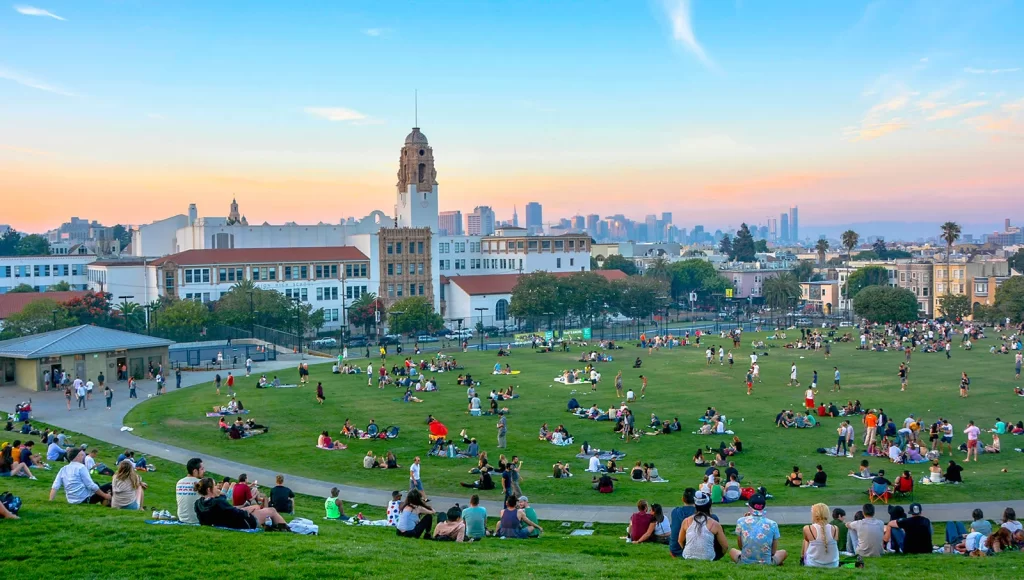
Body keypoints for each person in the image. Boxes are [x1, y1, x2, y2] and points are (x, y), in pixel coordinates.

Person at [194, 477, 288, 530]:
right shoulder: (217, 502)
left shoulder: (198, 504)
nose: (217, 488)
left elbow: (204, 522)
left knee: (255, 507)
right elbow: (236, 513)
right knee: (271, 510)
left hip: (228, 521)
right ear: (209, 490)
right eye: (215, 486)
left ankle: (271, 527)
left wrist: (246, 508)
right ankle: (286, 530)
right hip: (242, 522)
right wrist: (249, 510)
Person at [729, 494, 787, 565]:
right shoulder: (772, 524)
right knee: (783, 552)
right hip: (767, 562)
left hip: (745, 561)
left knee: (732, 551)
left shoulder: (741, 521)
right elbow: (773, 551)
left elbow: (740, 545)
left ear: (749, 506)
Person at [678, 491, 730, 560]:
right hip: (708, 557)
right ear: (709, 506)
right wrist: (718, 556)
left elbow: (680, 541)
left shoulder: (686, 521)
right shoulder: (715, 524)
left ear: (695, 505)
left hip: (687, 556)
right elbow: (725, 546)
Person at [801, 503, 839, 567]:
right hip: (833, 564)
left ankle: (802, 559)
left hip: (812, 564)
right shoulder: (835, 528)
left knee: (805, 540)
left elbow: (807, 540)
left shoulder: (808, 528)